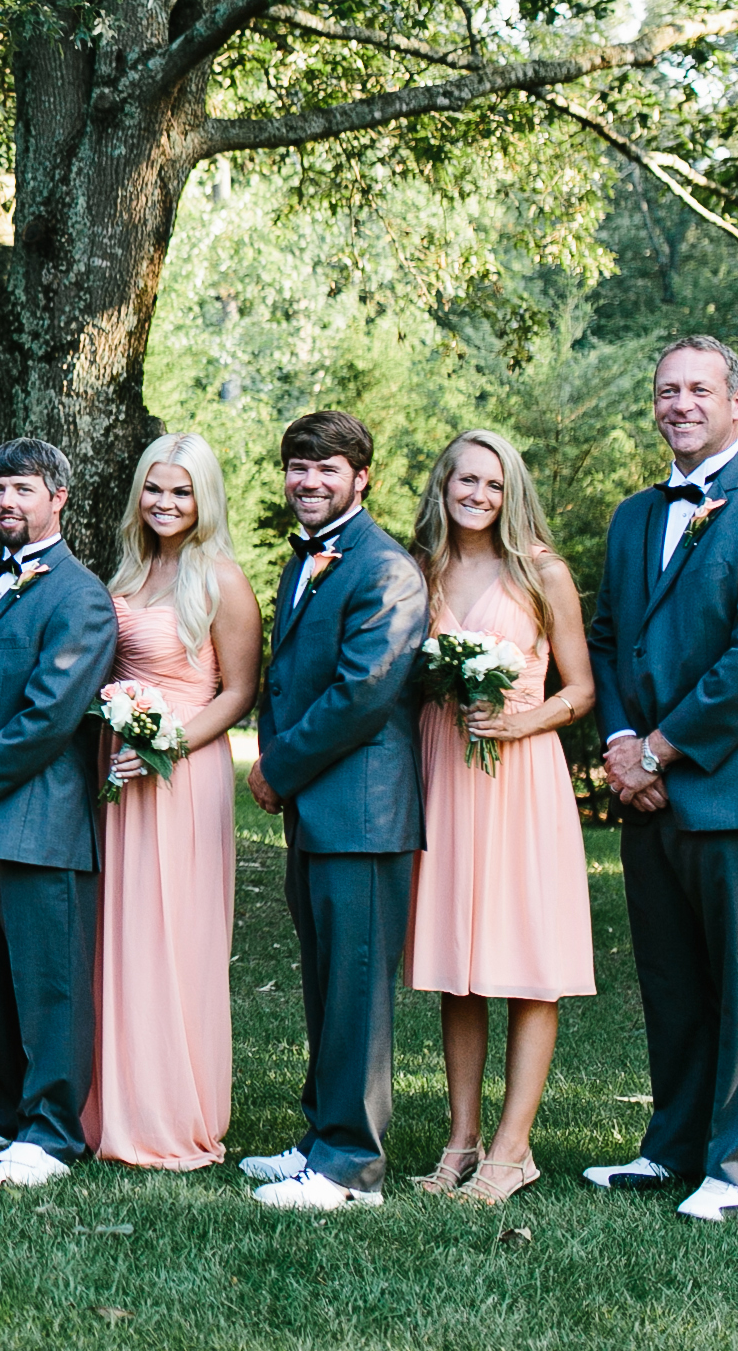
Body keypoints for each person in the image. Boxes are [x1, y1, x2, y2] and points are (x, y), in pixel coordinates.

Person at [584, 336, 738, 1223]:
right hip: (652, 794)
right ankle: (672, 1151)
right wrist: (620, 741)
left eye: (698, 389)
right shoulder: (632, 517)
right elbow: (608, 638)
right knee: (675, 981)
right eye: (666, 390)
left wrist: (657, 751)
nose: (679, 403)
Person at [401, 430, 598, 1205]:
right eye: (465, 481)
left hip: (520, 777)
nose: (478, 495)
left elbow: (580, 689)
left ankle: (514, 1150)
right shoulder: (422, 571)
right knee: (460, 968)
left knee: (527, 965)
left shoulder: (542, 572)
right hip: (446, 771)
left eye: (493, 483)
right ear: (443, 485)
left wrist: (520, 722)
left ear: (510, 491)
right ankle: (461, 1143)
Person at [239, 410, 430, 1211]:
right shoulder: (309, 562)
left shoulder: (385, 569)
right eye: (297, 467)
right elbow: (289, 678)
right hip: (317, 808)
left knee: (356, 987)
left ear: (363, 479)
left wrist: (277, 767)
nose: (308, 482)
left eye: (327, 468)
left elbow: (360, 695)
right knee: (324, 980)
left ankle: (352, 1169)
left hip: (362, 810)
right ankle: (321, 1136)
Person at [0, 438, 117, 1192]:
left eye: (24, 489)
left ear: (58, 499)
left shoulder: (79, 596)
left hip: (42, 822)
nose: (7, 502)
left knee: (51, 984)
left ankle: (51, 1130)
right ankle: (3, 1109)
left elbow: (49, 716)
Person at [82, 433, 259, 1171]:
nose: (165, 503)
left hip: (181, 773)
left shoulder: (219, 578)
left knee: (172, 940)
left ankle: (174, 1114)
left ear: (204, 499)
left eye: (181, 491)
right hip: (117, 771)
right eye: (155, 489)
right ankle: (112, 1106)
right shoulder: (126, 569)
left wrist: (168, 744)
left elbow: (239, 692)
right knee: (116, 938)